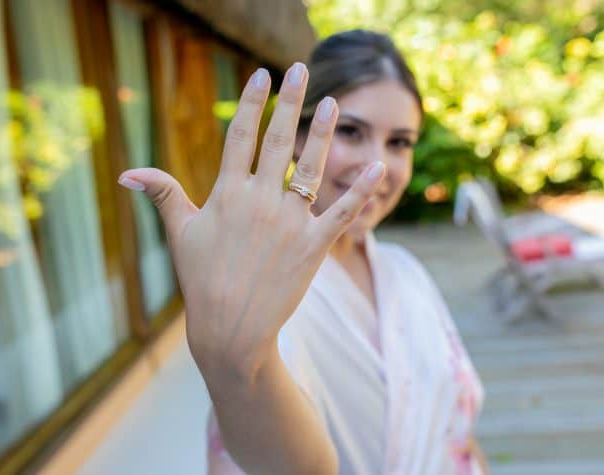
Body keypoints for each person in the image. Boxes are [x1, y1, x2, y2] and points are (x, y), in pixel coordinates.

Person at [119, 29, 487, 475]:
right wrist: (239, 369)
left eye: (400, 142)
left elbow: (459, 433)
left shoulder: (405, 271)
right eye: (350, 131)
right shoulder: (269, 291)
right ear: (297, 137)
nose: (379, 166)